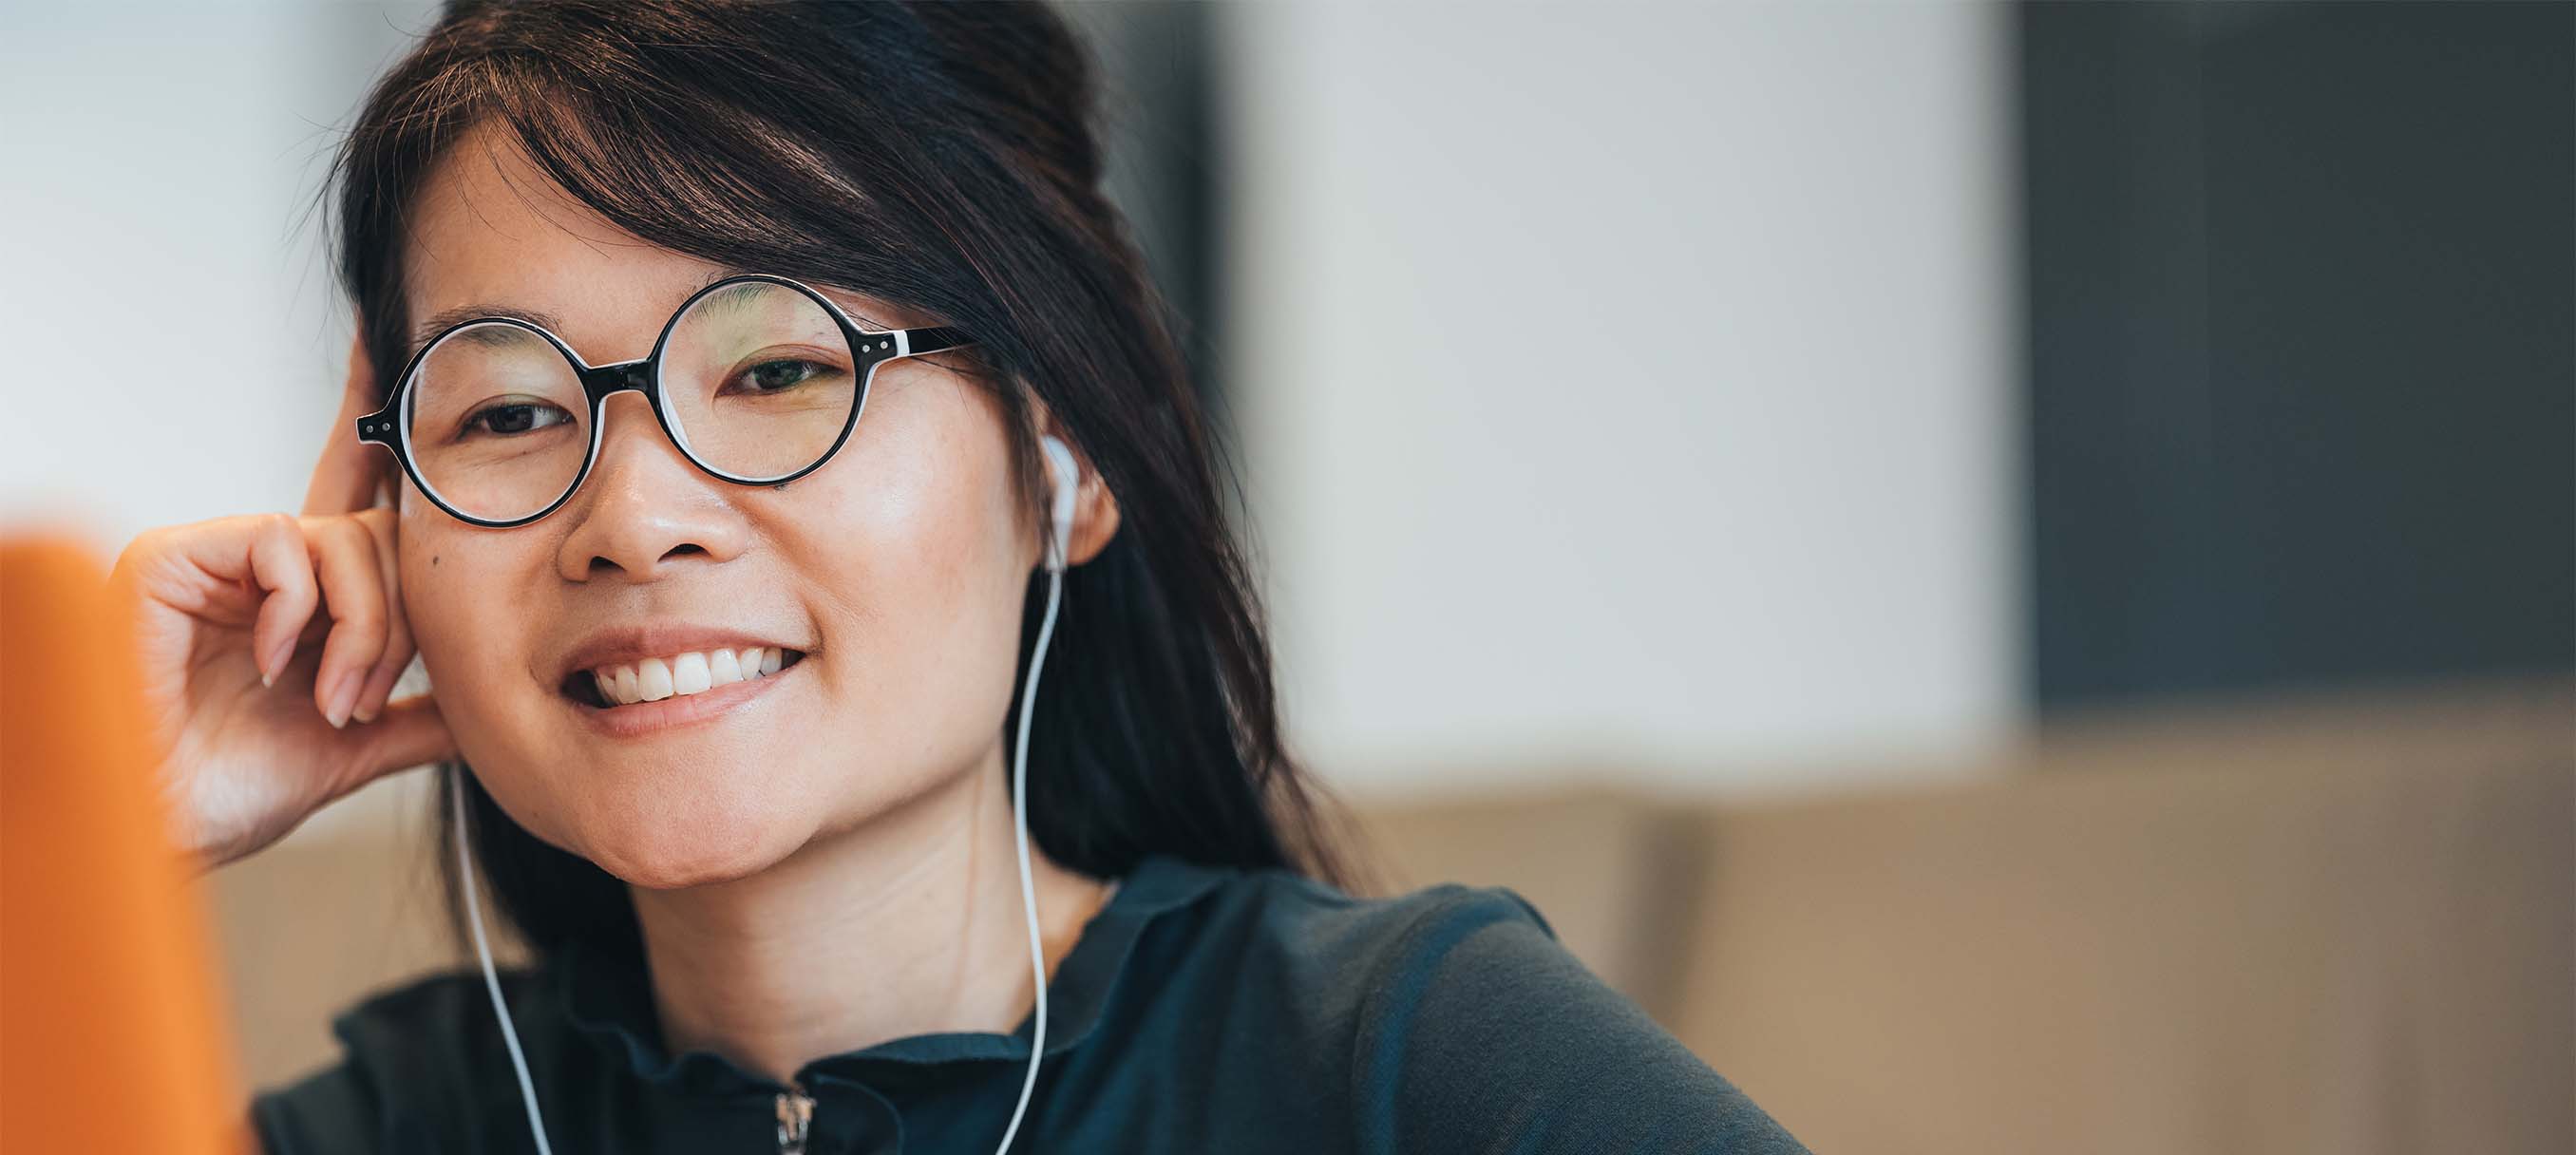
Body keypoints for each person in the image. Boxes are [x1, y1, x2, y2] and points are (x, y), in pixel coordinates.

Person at [107, 3, 1809, 1152]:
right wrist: (84, 820)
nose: (633, 516)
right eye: (507, 408)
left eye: (778, 373)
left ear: (1055, 463)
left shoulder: (1392, 1060)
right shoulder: (407, 1121)